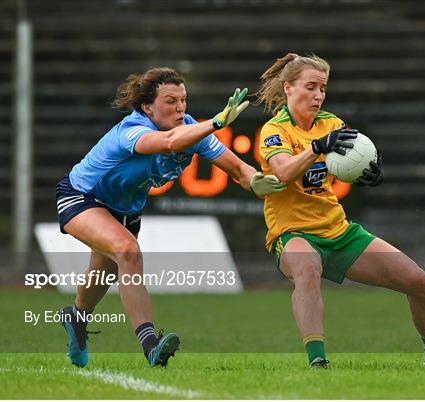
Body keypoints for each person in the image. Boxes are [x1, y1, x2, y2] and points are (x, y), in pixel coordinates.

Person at [56, 67, 285, 368]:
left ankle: (75, 319)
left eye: (183, 100)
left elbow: (239, 170)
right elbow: (169, 143)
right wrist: (215, 123)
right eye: (170, 100)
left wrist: (255, 181)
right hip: (81, 196)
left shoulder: (192, 129)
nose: (179, 108)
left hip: (125, 210)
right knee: (128, 252)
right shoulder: (133, 130)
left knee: (101, 276)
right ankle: (151, 345)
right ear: (147, 107)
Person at [255, 53, 425, 369]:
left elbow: (352, 159)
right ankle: (318, 362)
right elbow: (284, 172)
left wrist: (368, 171)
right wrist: (316, 148)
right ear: (288, 88)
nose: (318, 96)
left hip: (338, 231)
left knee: (418, 281)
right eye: (310, 87)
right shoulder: (274, 130)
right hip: (292, 233)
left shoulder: (332, 124)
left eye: (323, 89)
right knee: (307, 271)